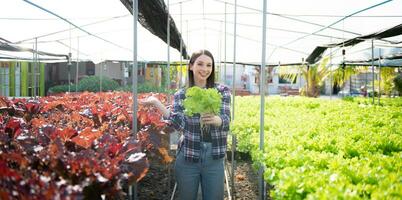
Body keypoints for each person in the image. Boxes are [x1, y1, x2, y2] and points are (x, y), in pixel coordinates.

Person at [140, 49, 231, 200]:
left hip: (215, 156)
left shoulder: (222, 91)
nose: (205, 69)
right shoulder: (181, 94)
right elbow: (177, 124)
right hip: (189, 155)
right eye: (200, 64)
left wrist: (217, 120)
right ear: (191, 66)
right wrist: (156, 103)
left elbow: (227, 121)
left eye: (209, 65)